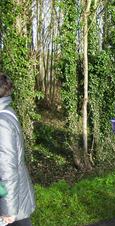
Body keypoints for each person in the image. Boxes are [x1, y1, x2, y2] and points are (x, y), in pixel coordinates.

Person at [0, 73, 36, 226]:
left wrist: (8, 210)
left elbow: (8, 168)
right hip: (14, 195)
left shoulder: (2, 122)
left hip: (10, 200)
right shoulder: (8, 112)